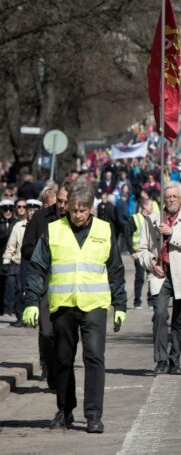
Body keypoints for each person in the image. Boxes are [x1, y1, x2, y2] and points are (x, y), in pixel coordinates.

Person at [23, 182, 127, 433]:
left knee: (93, 357)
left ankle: (93, 415)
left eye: (83, 210)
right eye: (74, 210)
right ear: (67, 208)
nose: (78, 215)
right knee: (62, 359)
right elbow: (37, 267)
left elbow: (115, 269)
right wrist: (31, 302)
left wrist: (120, 304)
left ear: (91, 209)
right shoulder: (53, 230)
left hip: (94, 305)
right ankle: (65, 409)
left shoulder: (104, 229)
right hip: (63, 305)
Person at [137, 181, 181, 375]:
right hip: (162, 274)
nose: (171, 200)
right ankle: (160, 360)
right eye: (168, 197)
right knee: (159, 315)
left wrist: (172, 233)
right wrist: (151, 263)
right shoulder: (151, 220)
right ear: (163, 199)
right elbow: (142, 249)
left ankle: (175, 359)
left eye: (175, 196)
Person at [22, 184, 68, 388]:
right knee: (47, 331)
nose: (62, 205)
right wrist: (43, 256)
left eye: (65, 202)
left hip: (68, 282)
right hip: (45, 281)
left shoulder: (75, 218)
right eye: (59, 201)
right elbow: (26, 248)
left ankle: (62, 370)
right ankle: (49, 367)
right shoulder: (41, 218)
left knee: (64, 332)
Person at [3, 199, 41, 326]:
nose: (31, 213)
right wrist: (6, 261)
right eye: (29, 211)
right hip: (19, 262)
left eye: (34, 211)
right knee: (19, 291)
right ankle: (20, 317)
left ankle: (34, 317)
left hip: (36, 263)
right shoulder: (18, 226)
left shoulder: (41, 226)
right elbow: (11, 245)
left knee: (34, 290)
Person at [125, 197, 153, 309]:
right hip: (138, 253)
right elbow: (127, 235)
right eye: (150, 205)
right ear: (145, 206)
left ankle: (151, 301)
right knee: (140, 278)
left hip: (149, 253)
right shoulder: (134, 218)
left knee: (151, 277)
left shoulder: (151, 218)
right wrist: (132, 252)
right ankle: (137, 302)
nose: (152, 207)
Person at [0, 199, 18, 316]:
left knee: (10, 285)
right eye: (5, 209)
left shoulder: (16, 223)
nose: (8, 211)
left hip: (11, 259)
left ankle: (9, 310)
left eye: (10, 209)